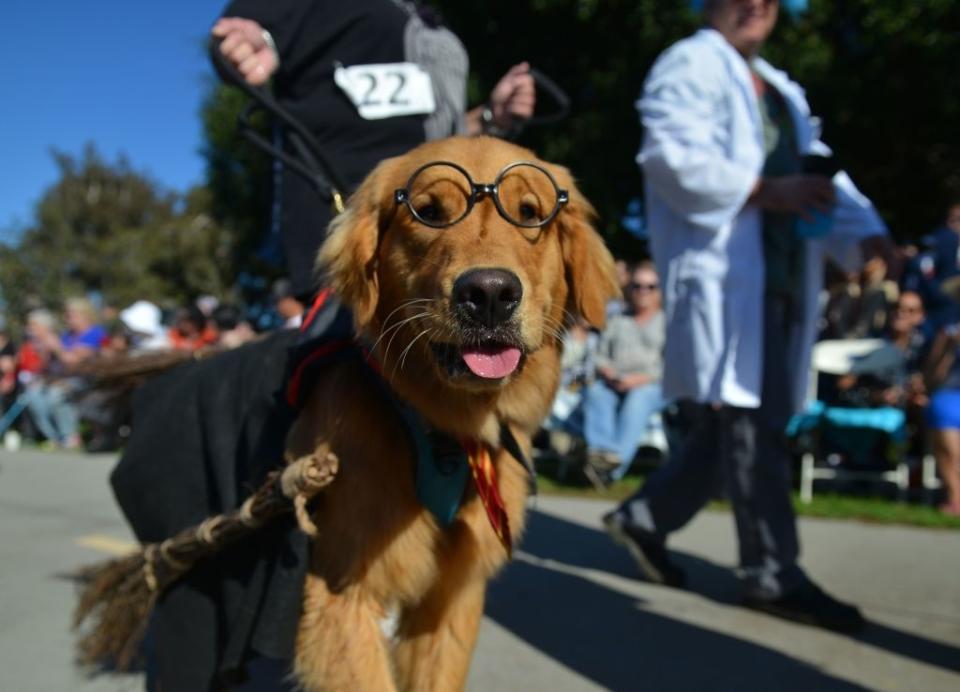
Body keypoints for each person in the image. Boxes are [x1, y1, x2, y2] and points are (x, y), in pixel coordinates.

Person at [603, 0, 895, 632]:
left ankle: (644, 518)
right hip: (730, 282)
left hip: (783, 278)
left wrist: (868, 231)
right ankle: (772, 572)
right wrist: (763, 190)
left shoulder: (781, 90)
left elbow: (819, 172)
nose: (756, 5)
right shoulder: (688, 64)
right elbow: (671, 158)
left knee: (740, 418)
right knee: (749, 425)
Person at [212, 0, 536, 300]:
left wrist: (491, 115)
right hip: (348, 232)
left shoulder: (427, 17)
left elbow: (436, 131)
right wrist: (248, 41)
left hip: (433, 242)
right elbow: (243, 32)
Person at [582, 261, 666, 488]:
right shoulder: (618, 320)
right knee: (597, 392)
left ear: (660, 290)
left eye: (650, 286)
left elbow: (672, 366)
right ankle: (601, 455)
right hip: (614, 380)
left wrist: (639, 380)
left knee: (639, 400)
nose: (643, 291)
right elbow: (599, 355)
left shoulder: (667, 322)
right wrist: (608, 372)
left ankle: (611, 469)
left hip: (652, 384)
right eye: (638, 285)